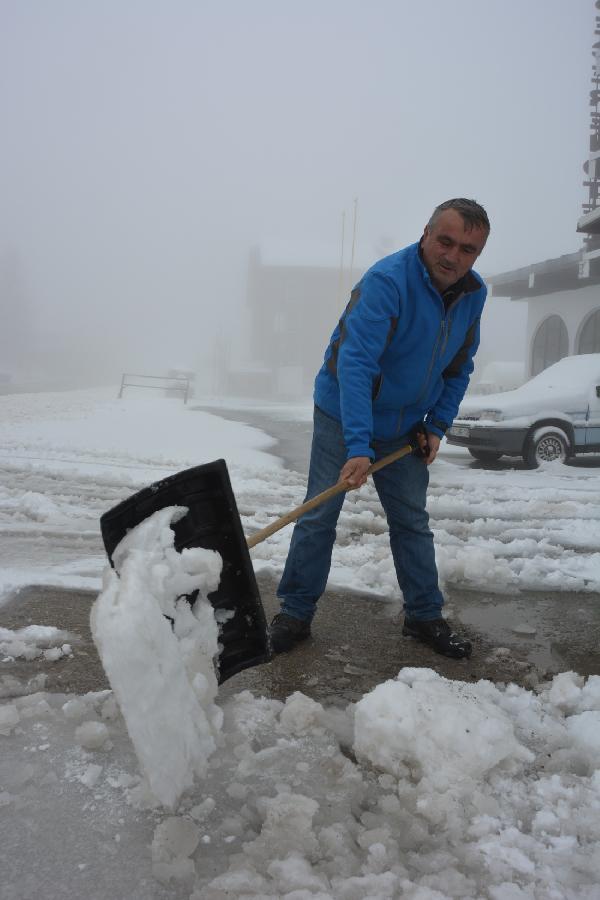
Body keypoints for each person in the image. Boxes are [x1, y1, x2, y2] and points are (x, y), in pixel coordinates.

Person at [270, 198, 490, 659]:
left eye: (467, 249)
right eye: (445, 241)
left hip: (407, 423)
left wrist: (437, 425)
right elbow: (355, 364)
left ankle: (424, 615)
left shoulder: (474, 294)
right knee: (318, 515)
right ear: (425, 233)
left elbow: (459, 367)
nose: (452, 256)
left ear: (477, 254)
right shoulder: (387, 281)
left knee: (411, 520)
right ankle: (294, 613)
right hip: (344, 412)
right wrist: (358, 444)